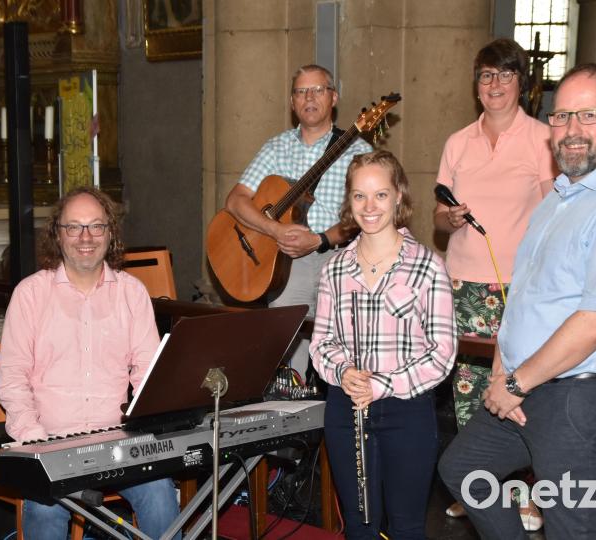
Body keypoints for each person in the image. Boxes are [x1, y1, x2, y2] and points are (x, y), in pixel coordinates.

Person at [438, 63, 596, 539]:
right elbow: (526, 296)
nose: (571, 130)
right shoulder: (559, 199)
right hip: (530, 385)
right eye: (561, 117)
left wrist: (518, 382)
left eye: (588, 115)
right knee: (465, 468)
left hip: (581, 398)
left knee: (573, 529)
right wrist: (504, 368)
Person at [0, 187, 180, 540]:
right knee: (46, 514)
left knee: (160, 496)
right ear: (57, 234)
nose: (85, 238)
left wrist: (151, 426)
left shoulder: (132, 292)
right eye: (74, 227)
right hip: (49, 442)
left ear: (110, 234)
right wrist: (36, 443)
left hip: (119, 443)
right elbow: (12, 379)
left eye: (96, 226)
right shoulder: (31, 294)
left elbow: (148, 373)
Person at [433, 38, 555, 528]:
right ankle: (476, 484)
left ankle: (526, 492)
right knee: (468, 392)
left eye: (505, 75)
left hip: (517, 288)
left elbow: (555, 217)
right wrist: (451, 217)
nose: (495, 85)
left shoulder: (543, 138)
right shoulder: (457, 142)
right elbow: (439, 220)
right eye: (486, 76)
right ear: (476, 85)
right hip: (463, 285)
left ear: (522, 83)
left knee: (519, 392)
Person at [311, 150, 456, 539]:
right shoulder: (335, 269)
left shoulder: (428, 267)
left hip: (407, 410)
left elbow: (442, 354)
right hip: (347, 408)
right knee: (359, 526)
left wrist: (381, 385)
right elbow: (322, 342)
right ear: (349, 202)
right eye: (359, 196)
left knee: (408, 526)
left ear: (398, 197)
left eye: (380, 194)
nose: (369, 206)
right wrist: (343, 372)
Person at [225, 64, 373, 377]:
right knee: (284, 355)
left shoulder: (358, 151)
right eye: (301, 91)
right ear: (292, 102)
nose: (309, 97)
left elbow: (366, 216)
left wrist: (320, 239)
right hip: (285, 264)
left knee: (345, 353)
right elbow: (236, 201)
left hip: (340, 260)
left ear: (333, 98)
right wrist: (275, 230)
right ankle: (290, 419)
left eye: (318, 89)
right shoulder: (276, 147)